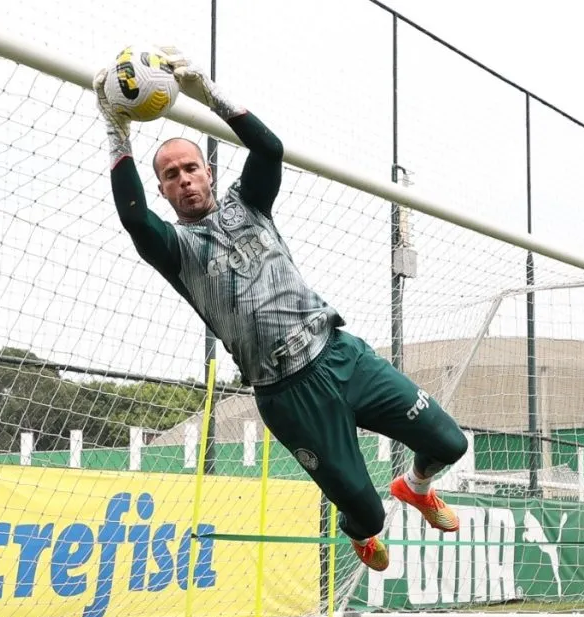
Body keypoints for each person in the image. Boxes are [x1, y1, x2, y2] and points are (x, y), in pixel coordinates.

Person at [92, 48, 469, 571]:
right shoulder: (175, 249)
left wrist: (207, 93)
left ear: (208, 172)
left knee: (449, 442)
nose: (184, 179)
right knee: (368, 514)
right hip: (288, 395)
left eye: (191, 168)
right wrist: (117, 130)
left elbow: (269, 148)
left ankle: (416, 487)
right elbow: (134, 219)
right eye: (172, 175)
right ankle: (359, 530)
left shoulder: (248, 203)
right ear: (162, 190)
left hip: (341, 355)